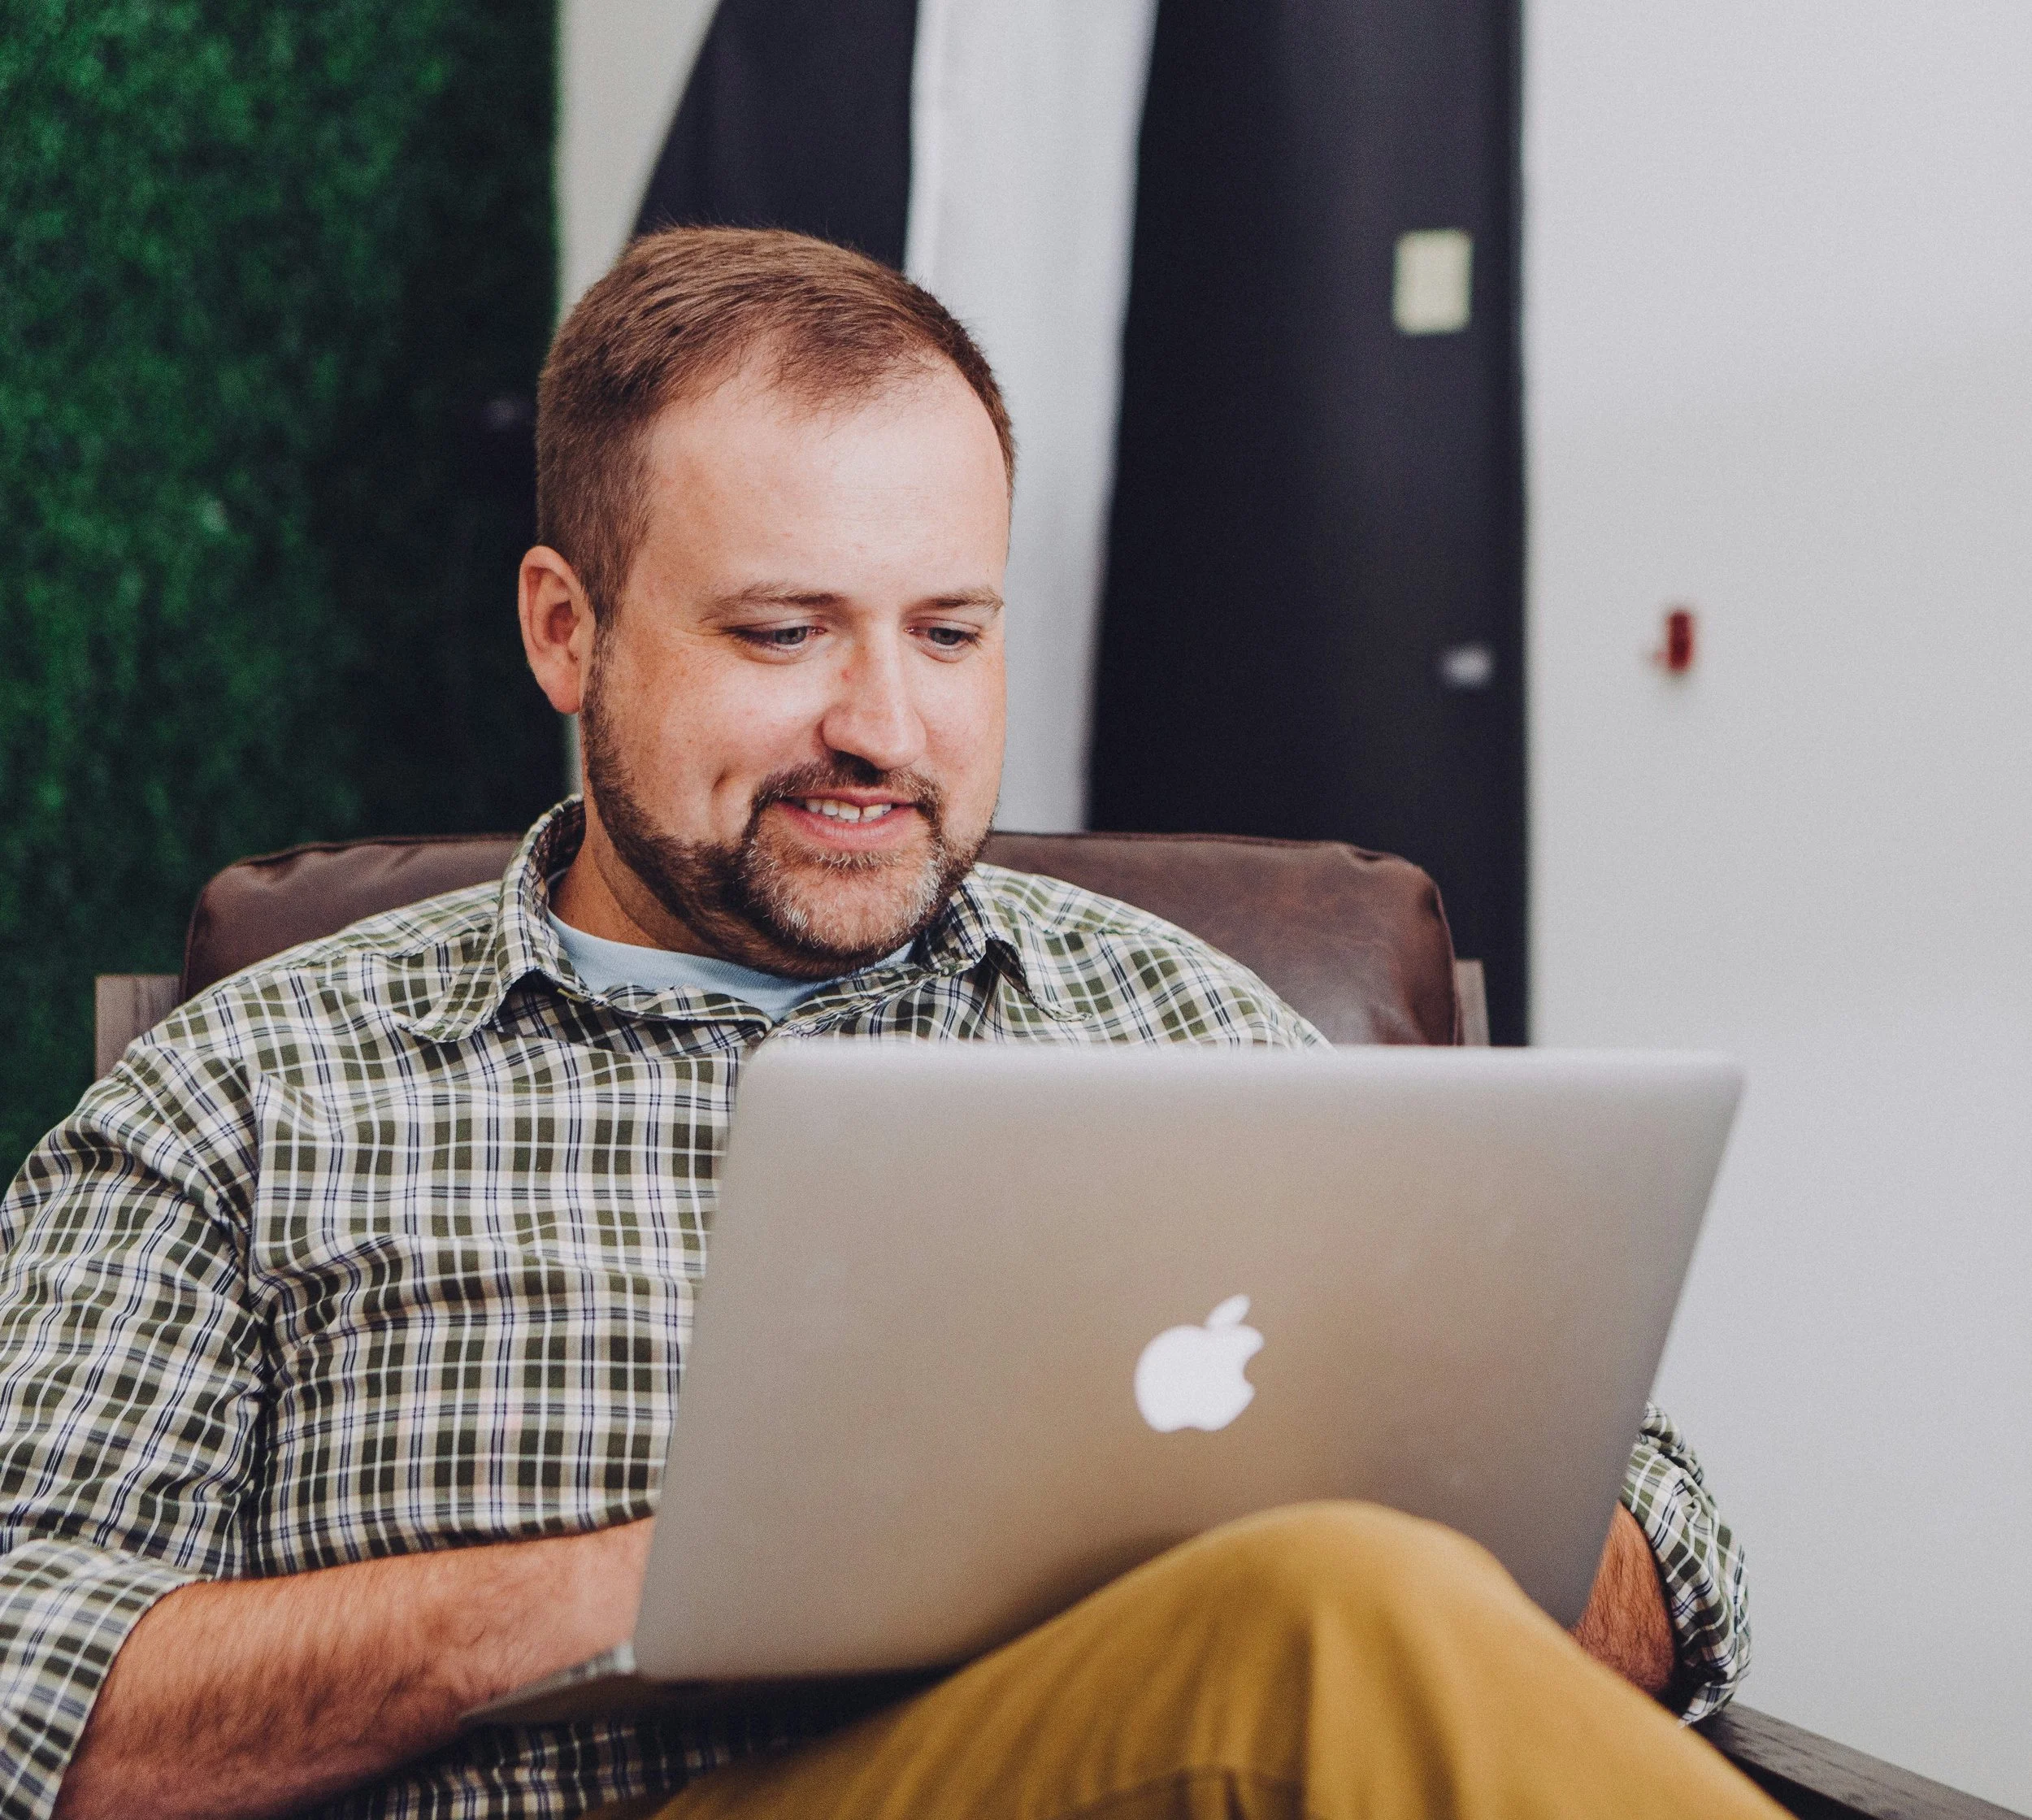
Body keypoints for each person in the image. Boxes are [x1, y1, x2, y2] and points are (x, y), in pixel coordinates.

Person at [0, 228, 1765, 1820]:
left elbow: (1665, 1554)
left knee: (1335, 1608)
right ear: (566, 630)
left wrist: (1201, 1546)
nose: (884, 724)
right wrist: (656, 1581)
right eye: (783, 631)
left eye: (948, 630)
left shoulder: (1172, 1020)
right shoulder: (254, 1089)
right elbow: (28, 1678)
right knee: (1328, 1620)